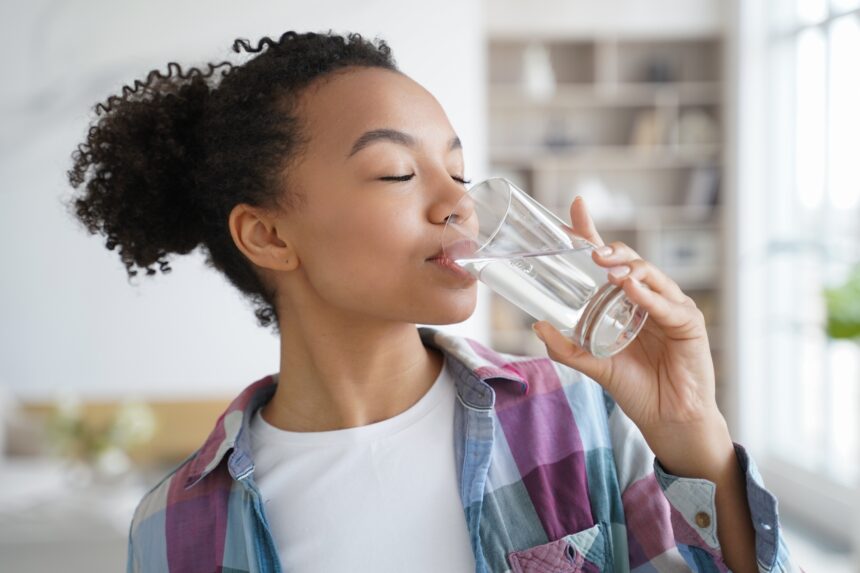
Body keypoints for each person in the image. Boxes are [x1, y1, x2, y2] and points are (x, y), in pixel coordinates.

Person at [66, 31, 801, 573]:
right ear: (266, 233)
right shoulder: (173, 526)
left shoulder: (577, 421)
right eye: (395, 173)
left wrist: (691, 429)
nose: (459, 203)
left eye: (458, 168)